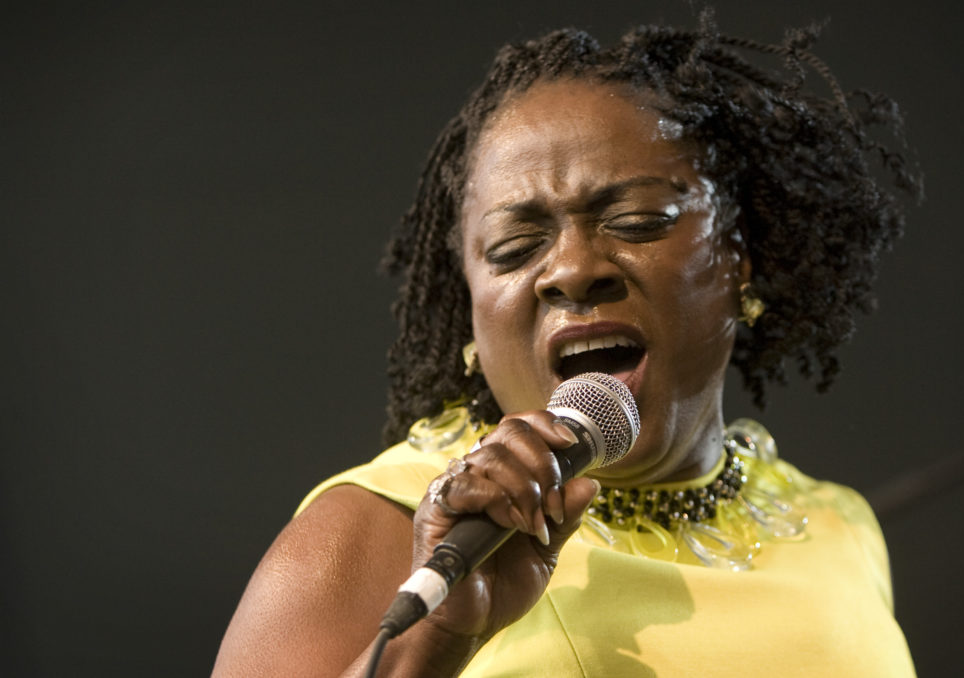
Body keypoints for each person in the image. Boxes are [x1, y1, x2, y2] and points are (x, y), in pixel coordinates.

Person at [213, 13, 921, 677]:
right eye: (517, 247)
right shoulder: (379, 529)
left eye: (639, 220)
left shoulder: (836, 523)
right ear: (470, 307)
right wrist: (440, 638)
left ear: (740, 260)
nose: (574, 270)